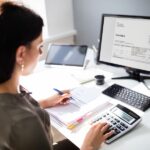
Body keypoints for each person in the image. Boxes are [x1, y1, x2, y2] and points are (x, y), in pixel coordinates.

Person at [0, 1, 113, 150]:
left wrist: (46, 102)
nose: (41, 53)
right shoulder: (25, 123)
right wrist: (88, 147)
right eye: (40, 46)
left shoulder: (9, 87)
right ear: (21, 54)